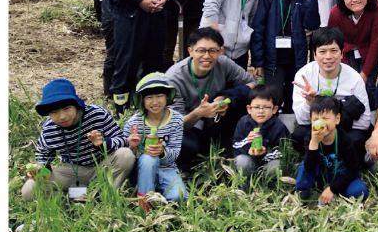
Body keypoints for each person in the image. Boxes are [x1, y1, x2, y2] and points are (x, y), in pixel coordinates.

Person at [21, 78, 135, 201]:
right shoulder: (49, 129)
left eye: (66, 109)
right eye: (54, 112)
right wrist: (38, 170)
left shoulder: (97, 114)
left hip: (104, 166)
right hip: (72, 171)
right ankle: (73, 197)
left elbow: (123, 140)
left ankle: (105, 194)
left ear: (76, 105)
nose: (62, 117)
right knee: (29, 189)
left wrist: (104, 143)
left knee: (125, 155)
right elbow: (42, 158)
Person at [165, 27, 256, 171]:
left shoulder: (224, 63)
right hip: (189, 124)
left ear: (220, 51)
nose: (206, 56)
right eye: (201, 51)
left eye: (212, 51)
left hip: (217, 117)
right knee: (187, 146)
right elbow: (175, 125)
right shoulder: (174, 78)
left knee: (248, 100)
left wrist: (227, 97)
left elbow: (253, 84)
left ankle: (232, 152)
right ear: (190, 51)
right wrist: (198, 113)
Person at [249, 0, 320, 113]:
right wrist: (258, 61)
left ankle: (289, 136)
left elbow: (312, 24)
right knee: (273, 97)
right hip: (272, 59)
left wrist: (310, 1)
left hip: (296, 57)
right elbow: (258, 29)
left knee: (293, 98)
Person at [291, 27, 371, 156]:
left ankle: (343, 165)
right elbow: (302, 120)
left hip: (343, 127)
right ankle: (315, 162)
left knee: (356, 139)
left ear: (342, 53)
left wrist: (333, 126)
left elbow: (364, 122)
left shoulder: (354, 78)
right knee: (299, 135)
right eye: (322, 51)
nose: (328, 57)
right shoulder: (304, 75)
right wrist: (309, 102)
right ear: (314, 54)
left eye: (334, 51)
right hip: (316, 126)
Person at [123, 73, 186, 209]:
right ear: (142, 101)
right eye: (149, 98)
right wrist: (133, 147)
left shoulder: (177, 120)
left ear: (167, 97)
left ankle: (161, 193)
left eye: (159, 96)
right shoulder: (134, 123)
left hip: (167, 168)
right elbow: (126, 157)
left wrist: (162, 152)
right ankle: (145, 199)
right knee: (149, 158)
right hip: (142, 169)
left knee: (178, 196)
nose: (155, 102)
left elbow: (175, 153)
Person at [328, 0, 378, 110]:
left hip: (370, 52)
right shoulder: (336, 13)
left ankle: (371, 120)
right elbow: (334, 43)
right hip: (346, 54)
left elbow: (376, 43)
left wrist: (364, 74)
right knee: (347, 87)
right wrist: (345, 69)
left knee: (368, 86)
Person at [296, 96, 368, 203]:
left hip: (339, 175)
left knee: (360, 191)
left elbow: (353, 169)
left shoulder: (345, 140)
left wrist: (332, 188)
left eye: (325, 118)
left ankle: (339, 192)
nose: (321, 123)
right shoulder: (310, 138)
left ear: (337, 119)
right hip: (319, 174)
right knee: (303, 172)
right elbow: (308, 166)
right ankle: (305, 192)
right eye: (316, 119)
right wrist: (314, 143)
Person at [232, 84, 290, 186]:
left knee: (275, 167)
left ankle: (269, 186)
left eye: (266, 107)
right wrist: (247, 143)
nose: (261, 111)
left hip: (268, 161)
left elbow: (282, 151)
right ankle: (245, 184)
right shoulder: (243, 122)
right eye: (257, 107)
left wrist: (264, 152)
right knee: (242, 161)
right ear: (249, 109)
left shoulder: (278, 126)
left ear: (274, 109)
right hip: (248, 159)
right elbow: (235, 146)